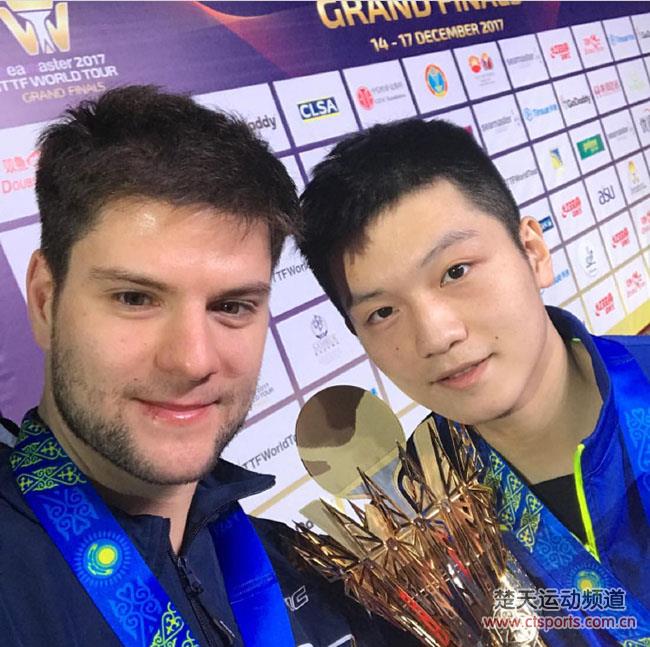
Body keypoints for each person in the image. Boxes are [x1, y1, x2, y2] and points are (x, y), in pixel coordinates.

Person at [0, 86, 414, 647]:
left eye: (231, 306)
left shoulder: (302, 567)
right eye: (135, 298)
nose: (193, 360)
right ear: (46, 301)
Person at [299, 118, 650, 646]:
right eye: (383, 312)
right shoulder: (408, 539)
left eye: (456, 271)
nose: (436, 335)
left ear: (533, 252)